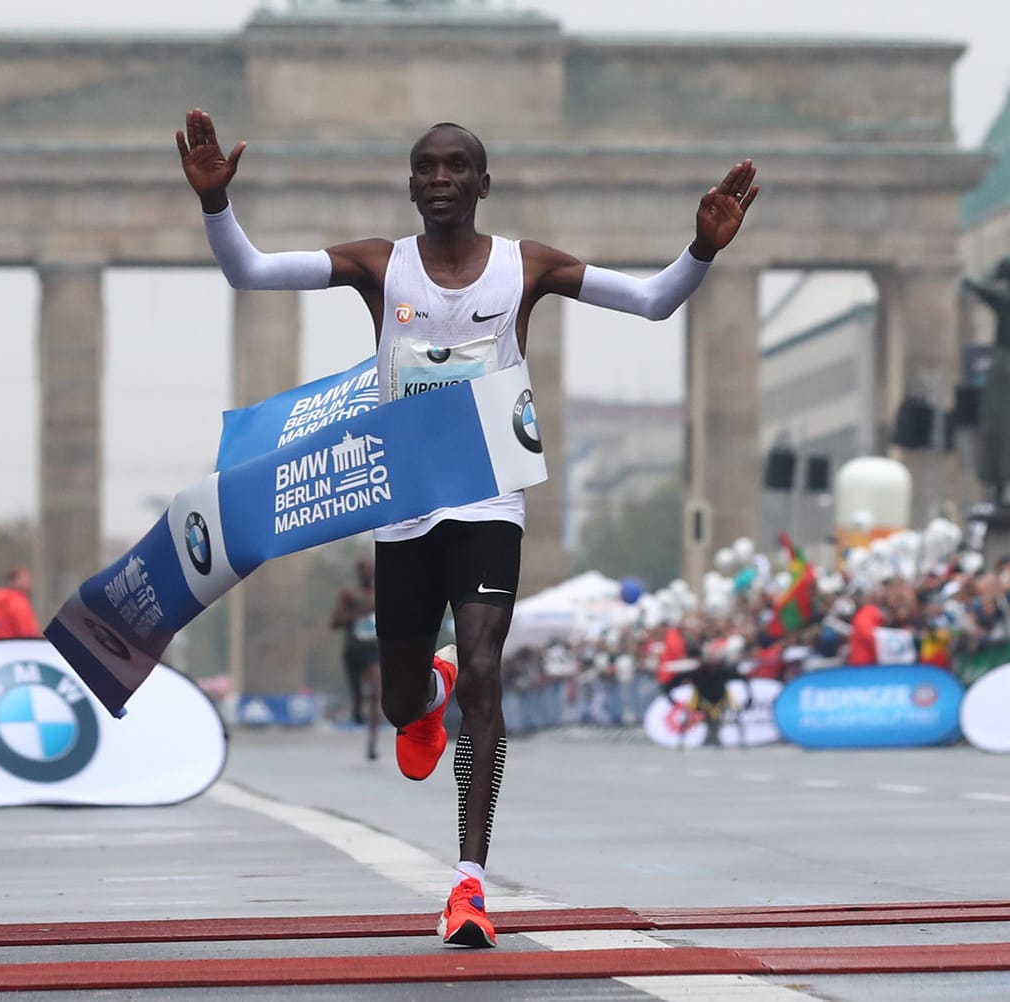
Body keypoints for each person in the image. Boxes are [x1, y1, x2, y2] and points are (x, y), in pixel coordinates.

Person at [179, 107, 756, 947]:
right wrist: (214, 206)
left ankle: (469, 884)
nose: (440, 179)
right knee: (402, 701)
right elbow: (251, 272)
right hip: (404, 503)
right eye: (426, 168)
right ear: (412, 186)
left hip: (489, 498)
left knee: (486, 664)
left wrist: (701, 249)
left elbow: (654, 301)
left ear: (483, 183)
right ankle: (429, 694)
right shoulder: (381, 266)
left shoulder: (529, 269)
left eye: (457, 167)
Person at [329, 558, 382, 761]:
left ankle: (372, 742)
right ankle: (358, 708)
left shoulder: (381, 593)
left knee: (376, 693)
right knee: (358, 696)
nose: (370, 575)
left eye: (372, 571)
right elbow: (334, 621)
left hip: (374, 650)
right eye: (366, 572)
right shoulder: (350, 594)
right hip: (353, 651)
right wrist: (357, 613)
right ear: (359, 573)